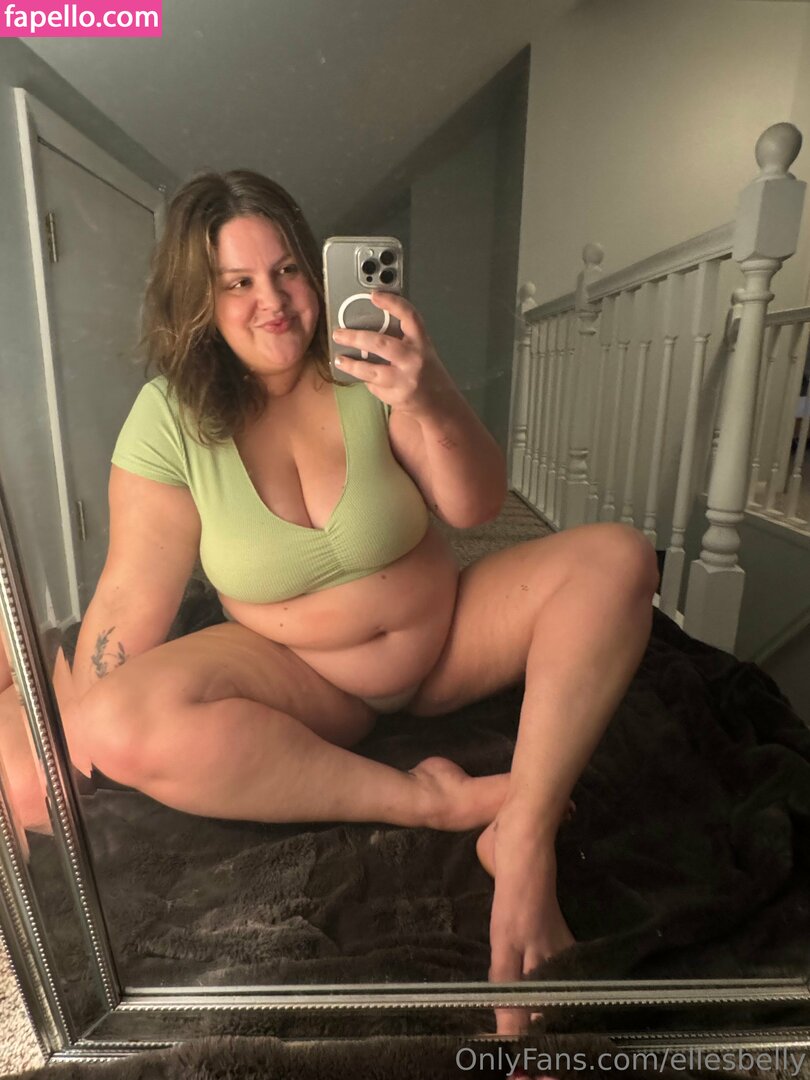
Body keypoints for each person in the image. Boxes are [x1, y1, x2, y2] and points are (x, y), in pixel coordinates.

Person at [67, 170, 659, 1034]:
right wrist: (77, 742)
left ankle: (522, 838)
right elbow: (128, 596)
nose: (273, 301)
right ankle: (426, 799)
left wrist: (428, 395)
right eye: (237, 282)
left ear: (316, 271)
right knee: (113, 724)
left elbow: (474, 508)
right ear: (195, 301)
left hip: (448, 640)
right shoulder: (168, 420)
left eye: (287, 271)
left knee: (618, 558)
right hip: (305, 679)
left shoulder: (367, 363)